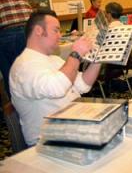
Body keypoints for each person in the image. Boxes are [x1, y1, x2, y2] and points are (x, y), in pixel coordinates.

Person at [9, 9, 101, 146]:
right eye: (56, 30)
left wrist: (99, 58)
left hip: (71, 129)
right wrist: (76, 54)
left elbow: (83, 85)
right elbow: (56, 88)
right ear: (39, 31)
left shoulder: (54, 59)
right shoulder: (23, 66)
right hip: (47, 141)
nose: (60, 35)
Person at [0, 0, 32, 98]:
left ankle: (20, 112)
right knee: (32, 71)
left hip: (7, 34)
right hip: (30, 32)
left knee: (12, 77)